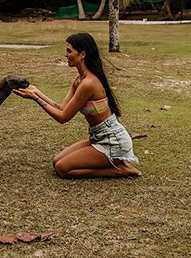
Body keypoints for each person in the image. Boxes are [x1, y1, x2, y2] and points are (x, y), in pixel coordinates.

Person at [13, 32, 141, 178]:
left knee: (62, 168)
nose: (65, 54)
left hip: (113, 143)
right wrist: (37, 92)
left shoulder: (88, 84)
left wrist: (36, 99)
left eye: (69, 51)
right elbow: (62, 107)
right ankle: (116, 164)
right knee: (56, 161)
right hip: (98, 138)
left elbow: (62, 117)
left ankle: (119, 170)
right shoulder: (79, 80)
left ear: (82, 54)